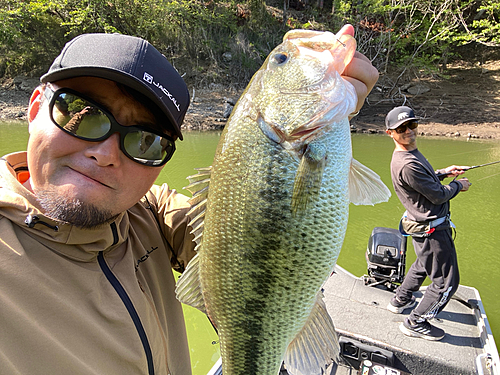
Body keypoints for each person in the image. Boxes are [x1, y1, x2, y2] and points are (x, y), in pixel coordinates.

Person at [0, 27, 379, 374]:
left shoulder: (145, 212)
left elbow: (242, 237)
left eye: (145, 140)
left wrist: (331, 110)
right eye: (82, 114)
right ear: (34, 109)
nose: (105, 153)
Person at [384, 105, 471, 341]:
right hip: (432, 228)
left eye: (412, 125)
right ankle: (416, 322)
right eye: (401, 128)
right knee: (446, 283)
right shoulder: (407, 163)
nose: (409, 131)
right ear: (390, 133)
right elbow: (438, 195)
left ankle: (400, 299)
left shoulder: (409, 156)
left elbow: (425, 181)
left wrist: (444, 172)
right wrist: (458, 186)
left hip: (421, 225)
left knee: (423, 264)